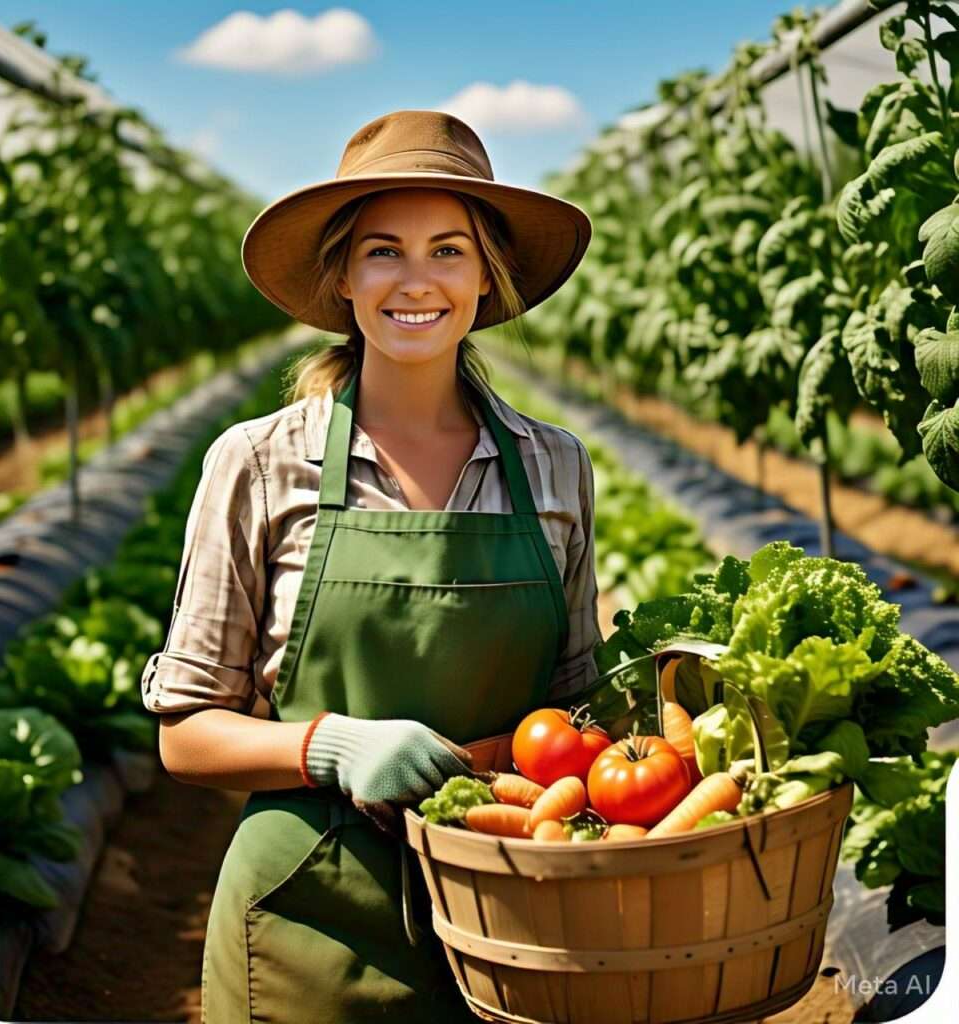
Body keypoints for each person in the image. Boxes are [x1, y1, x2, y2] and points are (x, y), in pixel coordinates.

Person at [139, 108, 601, 1023]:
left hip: (512, 908)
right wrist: (336, 744)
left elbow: (575, 700)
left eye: (449, 251)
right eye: (384, 251)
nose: (416, 281)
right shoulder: (261, 460)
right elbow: (187, 735)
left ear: (485, 278)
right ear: (344, 278)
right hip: (308, 914)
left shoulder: (555, 465)